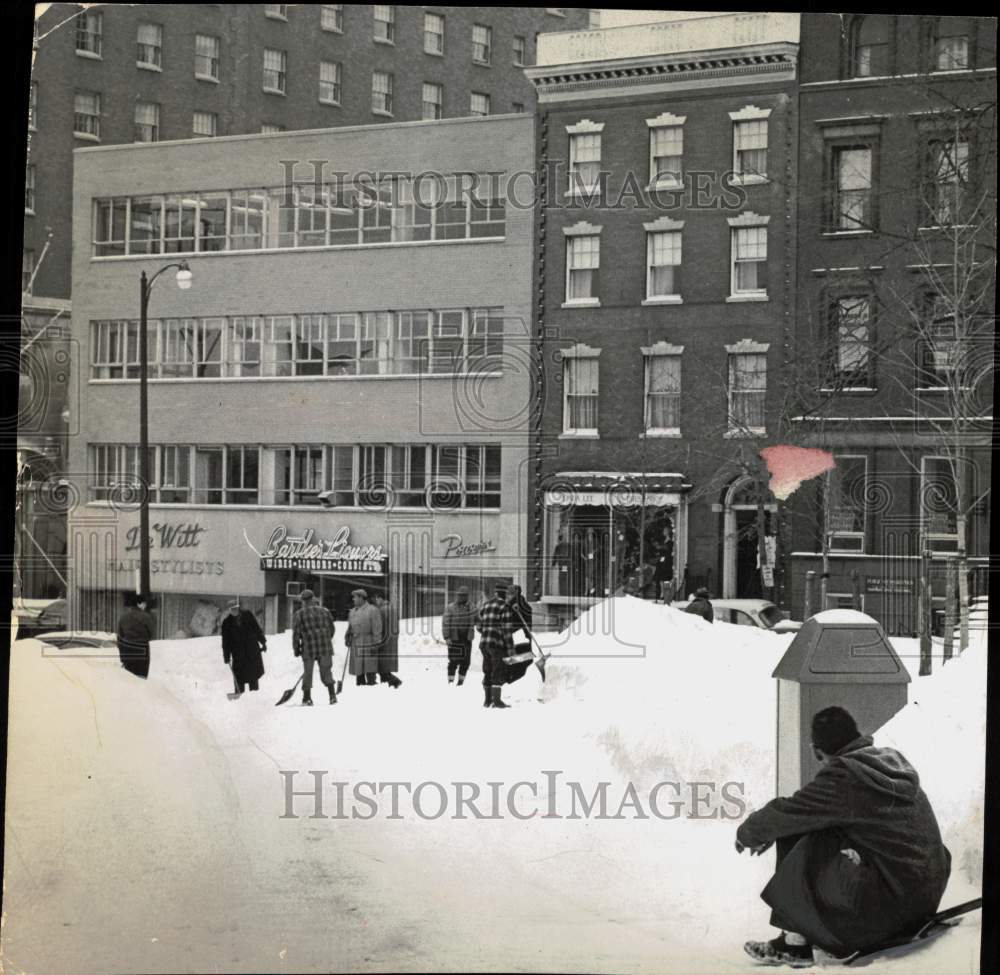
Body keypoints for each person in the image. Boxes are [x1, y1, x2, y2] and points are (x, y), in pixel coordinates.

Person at [737, 706, 951, 967]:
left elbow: (788, 812)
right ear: (857, 736)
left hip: (893, 909)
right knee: (813, 823)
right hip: (924, 897)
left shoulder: (846, 776)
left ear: (816, 750)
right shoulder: (888, 762)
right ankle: (805, 936)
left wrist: (747, 834)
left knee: (801, 830)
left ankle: (796, 944)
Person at [291, 589, 337, 706]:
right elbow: (332, 629)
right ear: (313, 599)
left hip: (309, 647)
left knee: (308, 672)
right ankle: (332, 696)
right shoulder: (325, 611)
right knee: (326, 671)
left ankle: (307, 698)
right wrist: (326, 639)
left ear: (303, 601)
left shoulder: (299, 614)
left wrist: (296, 649)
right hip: (325, 647)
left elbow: (296, 634)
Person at [476, 582, 514, 709]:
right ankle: (496, 701)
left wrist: (488, 631)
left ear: (496, 592)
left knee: (487, 670)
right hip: (497, 644)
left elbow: (479, 627)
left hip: (484, 644)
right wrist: (510, 649)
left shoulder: (485, 605)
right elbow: (507, 631)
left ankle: (487, 701)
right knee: (497, 671)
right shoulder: (505, 606)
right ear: (505, 594)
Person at [220, 600, 267, 695]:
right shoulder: (227, 623)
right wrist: (226, 656)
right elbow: (226, 642)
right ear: (229, 610)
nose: (234, 611)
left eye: (236, 608)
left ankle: (254, 698)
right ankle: (239, 699)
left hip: (251, 652)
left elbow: (256, 628)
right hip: (238, 655)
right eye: (232, 609)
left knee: (253, 678)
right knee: (238, 679)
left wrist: (263, 642)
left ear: (238, 607)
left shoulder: (248, 615)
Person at [346, 588, 383, 687]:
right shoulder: (352, 611)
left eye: (355, 597)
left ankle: (371, 687)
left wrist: (376, 644)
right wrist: (348, 637)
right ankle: (360, 686)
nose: (353, 599)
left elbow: (377, 628)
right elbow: (350, 627)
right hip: (356, 642)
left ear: (361, 598)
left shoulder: (372, 610)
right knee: (358, 668)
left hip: (368, 642)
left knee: (369, 667)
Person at [442, 586, 476, 685]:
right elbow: (445, 623)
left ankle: (460, 682)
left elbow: (478, 620)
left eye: (464, 595)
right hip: (454, 639)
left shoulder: (472, 607)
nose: (462, 597)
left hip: (467, 639)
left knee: (465, 662)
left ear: (467, 596)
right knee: (453, 661)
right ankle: (451, 682)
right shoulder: (450, 607)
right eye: (460, 595)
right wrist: (447, 637)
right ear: (457, 596)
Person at [116, 594, 155, 679]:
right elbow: (151, 633)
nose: (145, 606)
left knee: (129, 678)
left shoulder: (123, 617)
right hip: (142, 649)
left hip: (127, 650)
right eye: (144, 603)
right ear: (139, 604)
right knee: (141, 678)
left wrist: (123, 656)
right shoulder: (146, 617)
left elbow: (120, 637)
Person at [373, 592, 402, 688]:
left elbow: (379, 627)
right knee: (385, 666)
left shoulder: (381, 610)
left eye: (376, 599)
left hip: (384, 641)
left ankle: (394, 682)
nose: (376, 601)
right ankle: (388, 685)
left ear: (380, 598)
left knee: (381, 666)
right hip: (392, 641)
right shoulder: (393, 609)